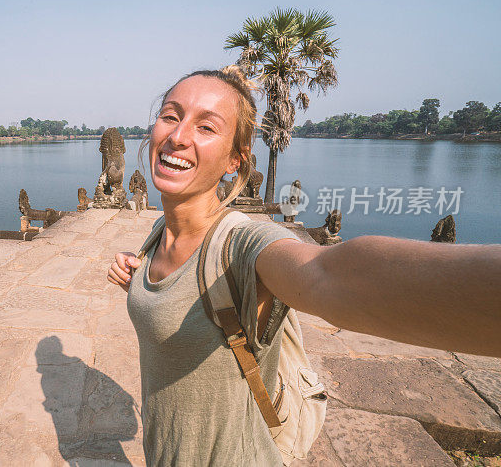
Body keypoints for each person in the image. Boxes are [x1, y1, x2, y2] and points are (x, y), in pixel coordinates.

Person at [106, 65, 501, 466]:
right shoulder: (160, 231)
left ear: (234, 161)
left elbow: (326, 275)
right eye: (171, 116)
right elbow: (175, 296)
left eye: (206, 128)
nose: (177, 136)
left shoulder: (243, 245)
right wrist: (139, 279)